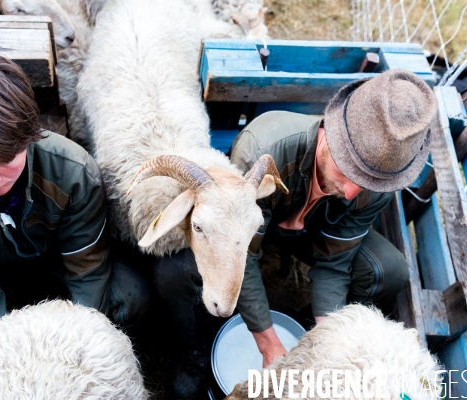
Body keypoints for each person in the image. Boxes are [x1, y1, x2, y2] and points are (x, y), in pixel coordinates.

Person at [153, 69, 437, 399]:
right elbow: (239, 255)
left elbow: (335, 263)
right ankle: (196, 349)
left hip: (312, 235)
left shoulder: (376, 186)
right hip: (240, 239)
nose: (349, 193)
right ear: (331, 136)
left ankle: (303, 324)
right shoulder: (264, 149)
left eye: (367, 183)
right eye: (347, 172)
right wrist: (266, 341)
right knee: (176, 272)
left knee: (388, 270)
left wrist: (323, 342)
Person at [0, 51, 152, 380]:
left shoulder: (74, 171)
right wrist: (14, 360)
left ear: (28, 136)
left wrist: (79, 352)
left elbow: (86, 268)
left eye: (5, 162)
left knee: (128, 299)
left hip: (52, 259)